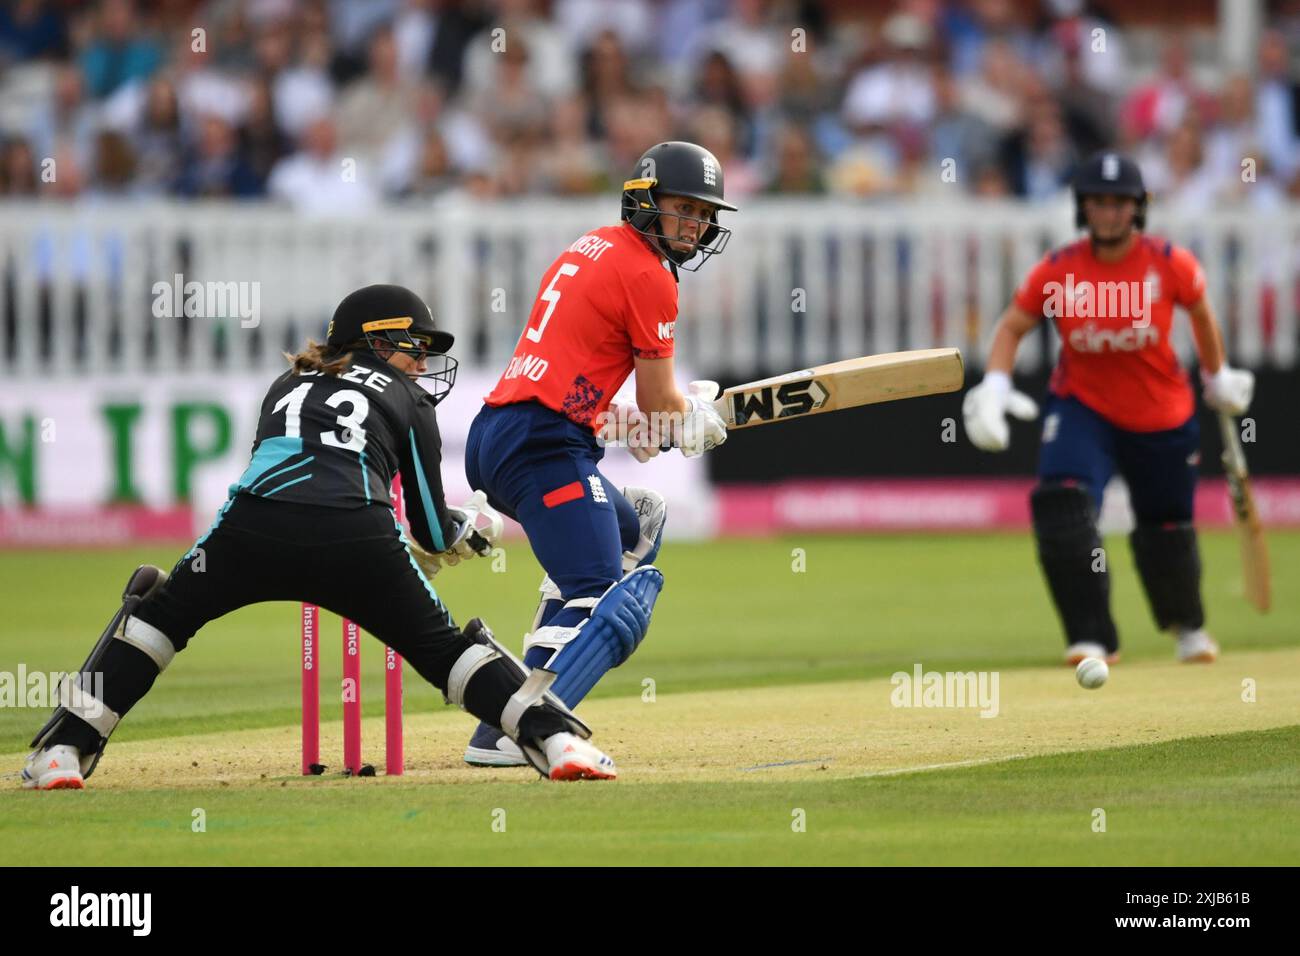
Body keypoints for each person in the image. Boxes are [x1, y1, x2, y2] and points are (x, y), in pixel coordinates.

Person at [22, 284, 616, 790]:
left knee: (158, 618)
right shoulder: (406, 397)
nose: (421, 363)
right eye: (416, 348)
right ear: (379, 341)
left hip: (250, 527)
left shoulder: (287, 381)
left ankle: (62, 752)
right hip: (356, 535)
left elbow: (275, 467)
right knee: (445, 650)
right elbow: (430, 530)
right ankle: (559, 743)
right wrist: (464, 532)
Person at [461, 140, 735, 767]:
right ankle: (512, 734)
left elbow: (574, 376)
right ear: (644, 202)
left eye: (704, 213)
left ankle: (524, 690)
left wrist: (643, 426)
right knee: (605, 597)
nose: (694, 225)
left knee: (634, 525)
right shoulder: (648, 274)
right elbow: (662, 400)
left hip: (509, 430)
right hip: (539, 443)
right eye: (682, 209)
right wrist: (687, 419)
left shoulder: (596, 244)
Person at [962, 152, 1255, 666]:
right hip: (1083, 410)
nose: (1110, 213)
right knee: (1062, 508)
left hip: (1161, 415)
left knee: (1166, 530)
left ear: (1138, 208)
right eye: (1099, 202)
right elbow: (1012, 326)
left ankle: (1188, 627)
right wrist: (996, 384)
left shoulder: (1170, 263)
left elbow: (1203, 316)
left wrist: (1217, 375)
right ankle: (1091, 635)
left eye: (1120, 203)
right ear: (1083, 207)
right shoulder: (1060, 269)